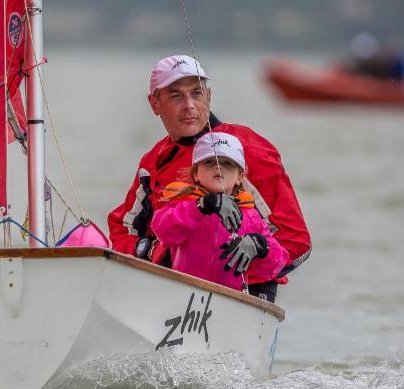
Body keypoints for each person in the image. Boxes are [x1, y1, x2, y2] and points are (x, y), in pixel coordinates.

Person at [107, 54, 311, 303]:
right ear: (154, 104)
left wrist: (256, 249)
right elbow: (121, 231)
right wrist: (148, 250)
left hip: (245, 297)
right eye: (175, 95)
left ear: (209, 97)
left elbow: (297, 244)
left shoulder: (251, 149)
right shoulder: (153, 162)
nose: (189, 105)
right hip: (170, 292)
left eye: (197, 93)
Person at [151, 132, 289, 296]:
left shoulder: (252, 216)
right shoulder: (185, 205)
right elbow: (162, 230)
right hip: (183, 293)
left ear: (240, 176)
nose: (218, 166)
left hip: (229, 301)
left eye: (228, 164)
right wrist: (201, 206)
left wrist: (261, 245)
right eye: (209, 162)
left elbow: (276, 265)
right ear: (196, 174)